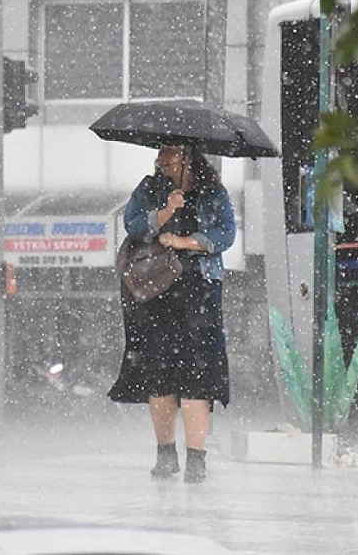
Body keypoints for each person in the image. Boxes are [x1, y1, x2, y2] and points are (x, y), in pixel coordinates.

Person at [108, 144, 236, 483]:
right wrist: (165, 212)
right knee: (159, 373)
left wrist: (187, 242)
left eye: (172, 153)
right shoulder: (149, 188)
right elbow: (133, 225)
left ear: (188, 156)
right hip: (156, 291)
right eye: (161, 153)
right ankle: (166, 454)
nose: (163, 159)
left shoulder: (213, 192)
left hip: (201, 289)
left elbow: (226, 234)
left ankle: (197, 458)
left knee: (198, 375)